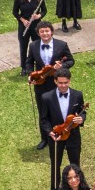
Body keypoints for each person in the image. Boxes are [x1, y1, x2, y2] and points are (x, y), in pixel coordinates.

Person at [27, 21, 74, 149]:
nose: (45, 33)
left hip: (57, 84)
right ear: (38, 33)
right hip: (40, 85)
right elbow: (29, 63)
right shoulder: (33, 46)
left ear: (51, 32)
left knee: (58, 110)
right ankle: (45, 138)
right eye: (42, 31)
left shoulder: (62, 45)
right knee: (43, 112)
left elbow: (70, 60)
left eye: (47, 31)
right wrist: (31, 75)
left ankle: (60, 135)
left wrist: (61, 66)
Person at [44, 70, 87, 189]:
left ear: (70, 81)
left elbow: (83, 113)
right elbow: (44, 120)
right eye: (60, 83)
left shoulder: (78, 95)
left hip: (73, 136)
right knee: (55, 165)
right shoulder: (46, 97)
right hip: (57, 136)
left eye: (66, 82)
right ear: (55, 81)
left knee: (75, 165)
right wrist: (50, 132)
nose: (63, 86)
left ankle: (77, 188)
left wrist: (81, 119)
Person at [13, 0, 47, 68]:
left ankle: (37, 66)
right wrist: (23, 20)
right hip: (24, 25)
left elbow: (44, 11)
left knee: (36, 46)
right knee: (23, 46)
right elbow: (15, 12)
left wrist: (38, 16)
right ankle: (24, 67)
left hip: (36, 25)